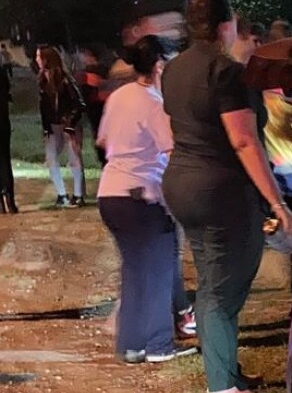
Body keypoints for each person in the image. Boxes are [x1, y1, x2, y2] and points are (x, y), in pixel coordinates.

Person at [161, 0, 292, 393]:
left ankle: (225, 372)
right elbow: (244, 142)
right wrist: (278, 205)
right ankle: (224, 390)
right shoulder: (226, 72)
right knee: (225, 289)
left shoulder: (174, 69)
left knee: (210, 281)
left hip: (182, 183)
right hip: (220, 189)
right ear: (226, 26)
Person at [96, 36, 194, 365]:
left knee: (135, 270)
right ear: (159, 65)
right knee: (159, 271)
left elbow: (103, 139)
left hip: (110, 194)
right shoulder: (154, 104)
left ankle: (132, 344)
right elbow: (171, 152)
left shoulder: (120, 96)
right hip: (141, 196)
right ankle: (159, 345)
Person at [36, 46, 86, 207]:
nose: (36, 59)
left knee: (74, 159)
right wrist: (46, 128)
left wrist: (70, 123)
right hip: (53, 125)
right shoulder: (43, 79)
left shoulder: (64, 80)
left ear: (46, 59)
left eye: (39, 56)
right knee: (51, 158)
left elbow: (78, 104)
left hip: (68, 125)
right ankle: (62, 195)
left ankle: (78, 195)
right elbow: (44, 108)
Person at [0, 46, 15, 214]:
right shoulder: (2, 74)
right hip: (3, 122)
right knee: (5, 159)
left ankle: (1, 204)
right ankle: (10, 200)